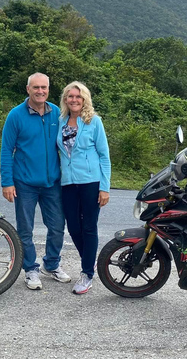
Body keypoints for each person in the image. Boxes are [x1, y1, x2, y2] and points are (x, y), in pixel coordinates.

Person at [0, 73, 71, 290]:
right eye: (36, 87)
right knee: (25, 229)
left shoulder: (57, 113)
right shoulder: (16, 115)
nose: (40, 91)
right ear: (28, 89)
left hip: (52, 183)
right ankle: (30, 269)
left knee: (58, 226)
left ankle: (51, 264)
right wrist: (7, 182)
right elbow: (6, 150)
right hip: (25, 183)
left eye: (44, 87)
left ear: (49, 89)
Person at [56, 81, 111, 295]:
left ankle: (87, 273)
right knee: (73, 228)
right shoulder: (60, 121)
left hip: (90, 182)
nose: (74, 100)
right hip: (68, 182)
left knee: (89, 227)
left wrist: (104, 187)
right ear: (65, 99)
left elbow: (104, 156)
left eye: (78, 97)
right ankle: (90, 260)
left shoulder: (94, 122)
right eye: (70, 96)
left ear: (84, 99)